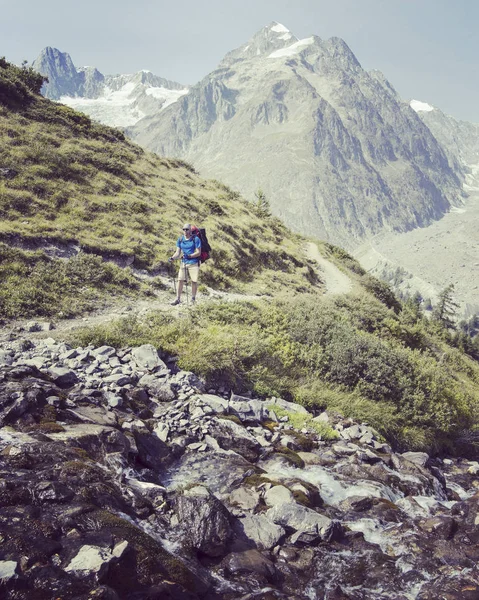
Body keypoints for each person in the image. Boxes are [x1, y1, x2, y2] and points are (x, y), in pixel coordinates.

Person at [168, 223, 201, 305]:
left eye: (187, 229)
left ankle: (193, 299)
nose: (185, 231)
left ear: (190, 230)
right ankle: (177, 299)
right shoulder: (180, 239)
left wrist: (189, 256)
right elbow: (177, 252)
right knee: (180, 280)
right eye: (184, 229)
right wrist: (172, 258)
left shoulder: (195, 239)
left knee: (194, 281)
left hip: (193, 263)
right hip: (184, 262)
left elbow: (198, 252)